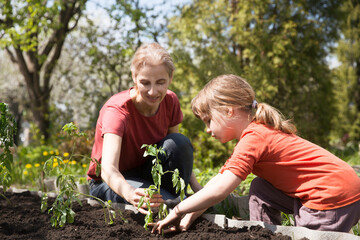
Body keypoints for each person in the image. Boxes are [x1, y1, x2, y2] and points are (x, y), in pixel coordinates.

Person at [151, 74, 360, 234]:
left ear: (229, 111)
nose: (207, 129)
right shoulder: (255, 133)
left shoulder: (254, 137)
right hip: (338, 189)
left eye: (208, 120)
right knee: (260, 188)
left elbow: (221, 190)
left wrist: (178, 210)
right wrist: (192, 212)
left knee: (305, 236)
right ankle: (263, 234)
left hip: (330, 198)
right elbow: (219, 181)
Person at [86, 43, 202, 214]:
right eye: (145, 83)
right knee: (164, 204)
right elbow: (108, 169)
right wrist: (130, 193)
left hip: (148, 173)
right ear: (134, 77)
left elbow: (177, 153)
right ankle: (174, 202)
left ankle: (175, 200)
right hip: (112, 182)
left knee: (179, 142)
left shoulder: (170, 101)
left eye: (161, 82)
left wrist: (198, 189)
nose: (153, 91)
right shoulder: (117, 111)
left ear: (170, 78)